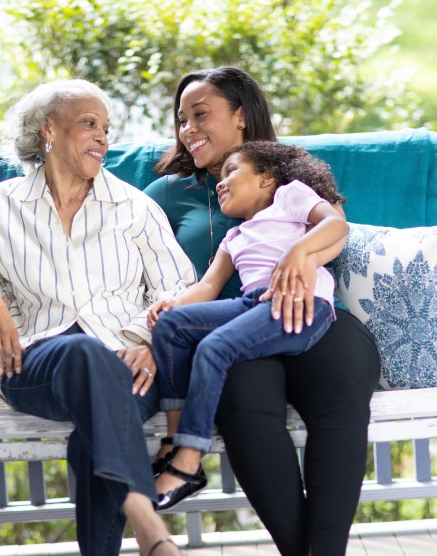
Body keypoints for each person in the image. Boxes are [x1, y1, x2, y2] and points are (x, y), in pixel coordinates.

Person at [0, 78, 190, 556]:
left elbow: (180, 289)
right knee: (83, 352)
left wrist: (148, 342)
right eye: (89, 124)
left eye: (106, 129)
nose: (102, 137)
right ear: (49, 129)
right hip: (34, 363)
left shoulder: (135, 208)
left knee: (102, 417)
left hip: (133, 362)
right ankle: (148, 523)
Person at [142, 67, 381, 555]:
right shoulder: (168, 193)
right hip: (235, 322)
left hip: (318, 315)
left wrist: (303, 255)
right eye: (181, 120)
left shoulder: (286, 174)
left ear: (242, 118)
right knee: (246, 407)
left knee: (340, 399)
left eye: (201, 115)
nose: (188, 130)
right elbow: (101, 231)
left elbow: (333, 227)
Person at [146, 141, 347, 511]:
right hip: (253, 303)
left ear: (267, 177)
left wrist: (297, 251)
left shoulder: (290, 196)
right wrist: (173, 303)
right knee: (171, 326)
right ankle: (175, 436)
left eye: (231, 172)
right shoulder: (234, 236)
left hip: (301, 304)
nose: (221, 183)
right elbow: (207, 286)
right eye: (219, 178)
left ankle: (189, 462)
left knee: (214, 347)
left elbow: (335, 223)